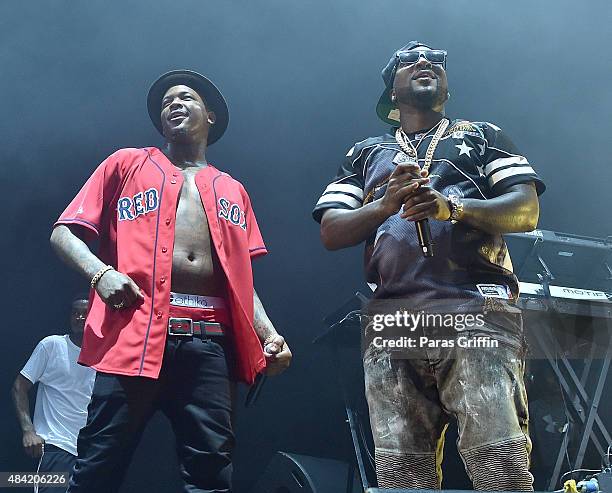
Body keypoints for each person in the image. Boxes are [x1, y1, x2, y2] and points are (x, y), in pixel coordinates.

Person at [313, 42, 545, 490]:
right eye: (408, 61)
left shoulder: (481, 134)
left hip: (474, 311)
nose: (425, 63)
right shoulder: (365, 152)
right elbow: (331, 231)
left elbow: (526, 210)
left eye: (435, 61)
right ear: (391, 93)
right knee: (403, 477)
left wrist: (451, 208)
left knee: (500, 467)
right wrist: (384, 205)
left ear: (446, 87)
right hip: (393, 319)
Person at [50, 69, 291, 493]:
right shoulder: (125, 164)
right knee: (96, 466)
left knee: (212, 473)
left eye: (185, 98)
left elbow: (241, 280)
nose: (173, 104)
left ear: (210, 116)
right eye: (166, 102)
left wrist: (270, 334)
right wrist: (101, 273)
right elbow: (63, 233)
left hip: (209, 345)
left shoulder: (233, 189)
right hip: (134, 336)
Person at [11, 295, 95, 492]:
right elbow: (19, 387)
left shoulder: (102, 357)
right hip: (56, 447)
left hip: (88, 454)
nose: (80, 318)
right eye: (75, 313)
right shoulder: (52, 345)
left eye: (85, 313)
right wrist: (28, 430)